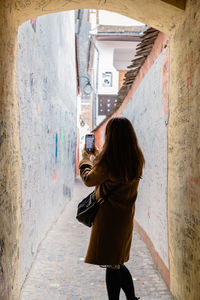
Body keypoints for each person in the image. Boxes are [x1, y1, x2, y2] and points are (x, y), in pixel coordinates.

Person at [79, 117, 145, 300]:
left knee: (112, 264)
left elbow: (88, 179)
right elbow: (114, 169)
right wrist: (99, 154)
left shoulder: (109, 162)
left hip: (109, 222)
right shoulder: (136, 158)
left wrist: (85, 159)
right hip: (124, 220)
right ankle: (131, 299)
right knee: (117, 263)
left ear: (111, 136)